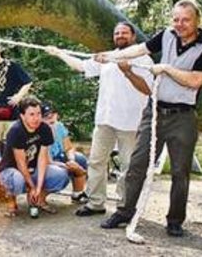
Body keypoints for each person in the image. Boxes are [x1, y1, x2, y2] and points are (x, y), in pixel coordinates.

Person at [97, 0, 202, 237]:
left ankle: (174, 221)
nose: (179, 24)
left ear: (196, 21)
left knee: (180, 172)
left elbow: (194, 81)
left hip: (183, 116)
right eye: (175, 19)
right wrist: (110, 56)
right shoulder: (166, 35)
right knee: (137, 163)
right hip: (154, 113)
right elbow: (139, 49)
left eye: (185, 20)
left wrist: (166, 69)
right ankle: (124, 211)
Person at [45, 21, 153, 217]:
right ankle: (96, 203)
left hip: (130, 123)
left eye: (124, 33)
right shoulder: (107, 57)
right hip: (104, 121)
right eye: (117, 33)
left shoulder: (144, 60)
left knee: (128, 166)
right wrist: (59, 53)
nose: (120, 35)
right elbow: (80, 66)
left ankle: (125, 207)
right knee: (96, 162)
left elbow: (148, 89)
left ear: (133, 37)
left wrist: (127, 70)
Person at [0, 97, 69, 218]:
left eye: (38, 114)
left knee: (61, 175)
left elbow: (42, 159)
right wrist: (31, 186)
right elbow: (20, 163)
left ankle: (38, 198)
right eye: (31, 114)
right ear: (22, 116)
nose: (36, 118)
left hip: (33, 169)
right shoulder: (16, 131)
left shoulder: (44, 129)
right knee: (17, 179)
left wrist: (38, 188)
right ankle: (11, 200)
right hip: (12, 170)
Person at [41, 103, 88, 203]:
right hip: (46, 161)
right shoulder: (40, 131)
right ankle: (39, 199)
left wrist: (71, 160)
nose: (50, 118)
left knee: (80, 159)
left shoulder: (59, 126)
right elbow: (46, 160)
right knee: (61, 173)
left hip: (59, 157)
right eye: (46, 116)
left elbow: (69, 147)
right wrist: (66, 166)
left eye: (52, 114)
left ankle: (77, 194)